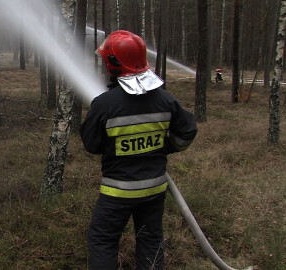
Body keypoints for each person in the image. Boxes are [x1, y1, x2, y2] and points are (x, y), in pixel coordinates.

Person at [79, 30, 198, 270]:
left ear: (113, 64)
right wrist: (163, 147)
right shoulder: (166, 100)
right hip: (154, 189)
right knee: (151, 239)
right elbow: (187, 132)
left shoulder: (104, 104)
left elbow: (91, 145)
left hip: (117, 193)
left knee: (102, 239)